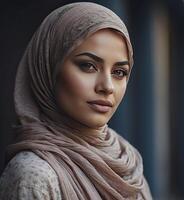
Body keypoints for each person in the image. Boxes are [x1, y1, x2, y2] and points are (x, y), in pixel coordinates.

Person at [0, 2, 152, 199]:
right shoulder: (34, 174)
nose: (107, 86)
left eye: (119, 72)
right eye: (88, 66)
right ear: (48, 68)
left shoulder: (127, 161)